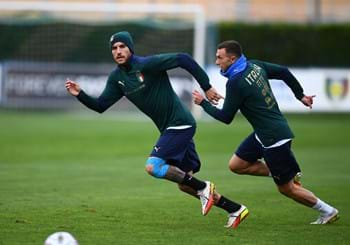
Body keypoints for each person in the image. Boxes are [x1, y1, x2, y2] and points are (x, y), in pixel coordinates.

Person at [65, 32, 249, 228]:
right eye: (114, 48)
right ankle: (234, 209)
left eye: (122, 46)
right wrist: (80, 94)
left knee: (153, 166)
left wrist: (207, 86)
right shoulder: (117, 78)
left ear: (130, 48)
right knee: (184, 183)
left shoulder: (147, 64)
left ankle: (204, 187)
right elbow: (100, 105)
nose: (118, 51)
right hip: (170, 129)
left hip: (180, 123)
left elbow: (183, 59)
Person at [192, 40, 339, 225]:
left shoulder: (236, 82)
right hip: (264, 133)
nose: (216, 62)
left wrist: (203, 103)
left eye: (219, 58)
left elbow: (226, 117)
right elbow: (284, 72)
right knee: (236, 165)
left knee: (287, 189)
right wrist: (300, 95)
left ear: (232, 58)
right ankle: (284, 171)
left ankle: (328, 211)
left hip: (273, 138)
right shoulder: (254, 65)